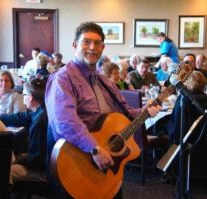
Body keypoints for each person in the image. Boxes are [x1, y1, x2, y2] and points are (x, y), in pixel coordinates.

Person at [45, 22, 161, 198]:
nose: (92, 48)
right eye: (86, 42)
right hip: (76, 164)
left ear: (103, 47)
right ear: (75, 45)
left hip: (106, 165)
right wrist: (95, 149)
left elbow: (126, 114)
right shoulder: (63, 79)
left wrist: (145, 111)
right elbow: (66, 122)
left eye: (97, 43)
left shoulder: (105, 81)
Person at [0, 78, 47, 185]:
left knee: (2, 172)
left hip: (46, 171)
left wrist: (19, 160)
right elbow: (19, 117)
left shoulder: (40, 121)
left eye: (24, 95)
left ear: (30, 98)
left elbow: (36, 161)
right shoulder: (41, 110)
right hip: (45, 163)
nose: (23, 98)